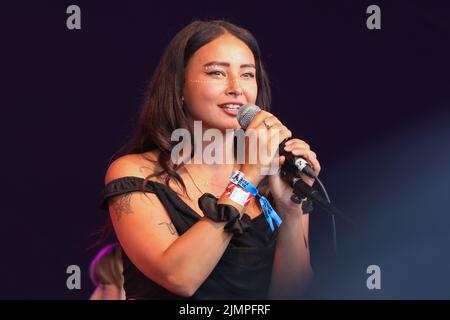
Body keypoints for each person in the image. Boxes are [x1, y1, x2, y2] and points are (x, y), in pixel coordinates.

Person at [99, 20, 321, 299]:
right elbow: (179, 277)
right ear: (179, 86)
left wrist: (291, 213)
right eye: (217, 72)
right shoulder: (137, 174)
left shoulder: (275, 178)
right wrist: (246, 179)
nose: (236, 88)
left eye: (247, 75)